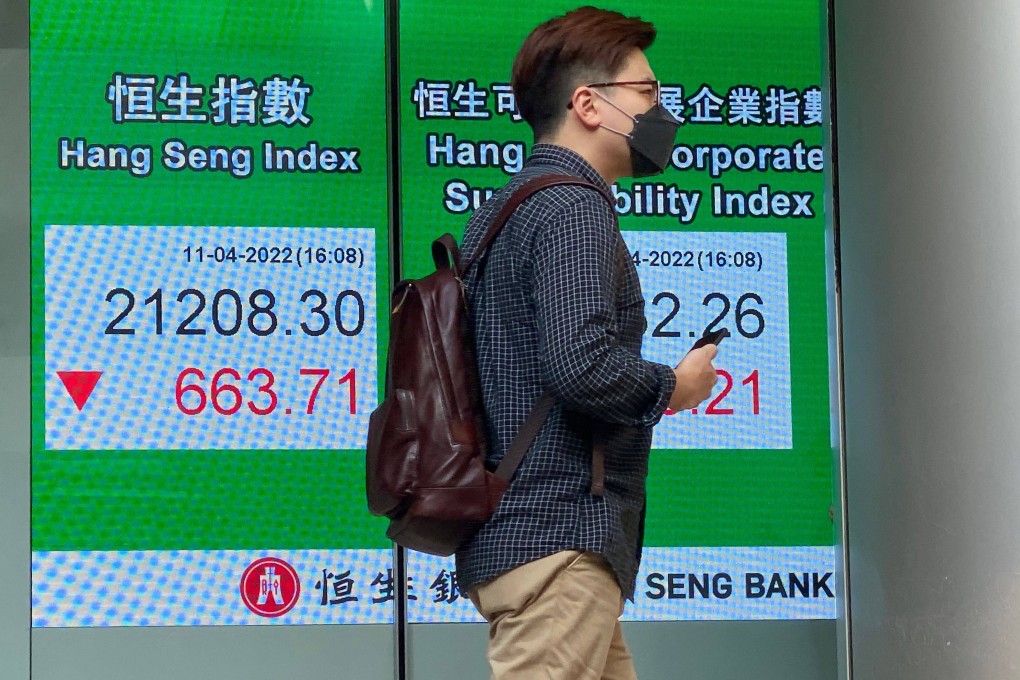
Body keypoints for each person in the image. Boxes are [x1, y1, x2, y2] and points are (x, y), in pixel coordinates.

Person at [454, 6, 719, 679]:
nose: (662, 112)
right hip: (557, 543)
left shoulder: (506, 208)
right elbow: (580, 365)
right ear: (588, 104)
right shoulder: (572, 206)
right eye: (647, 92)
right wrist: (676, 386)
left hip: (536, 540)